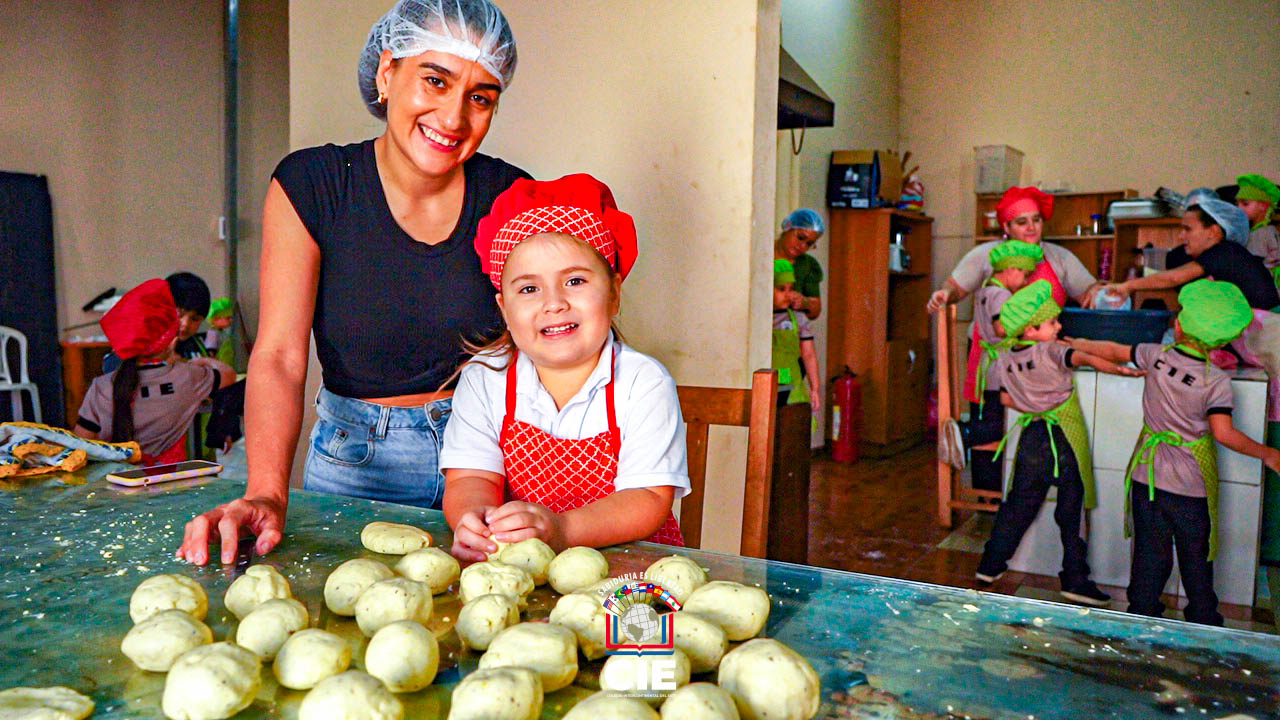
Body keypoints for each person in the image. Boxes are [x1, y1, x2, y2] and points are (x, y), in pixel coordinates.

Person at [178, 0, 528, 566]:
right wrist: (267, 491)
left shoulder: (512, 197)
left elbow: (550, 342)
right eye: (434, 80)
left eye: (480, 96)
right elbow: (279, 357)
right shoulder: (313, 185)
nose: (454, 117)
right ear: (387, 73)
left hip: (492, 464)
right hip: (357, 463)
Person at [440, 174, 688, 561]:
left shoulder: (643, 383)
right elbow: (472, 477)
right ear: (504, 308)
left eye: (574, 280)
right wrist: (474, 519)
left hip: (631, 574)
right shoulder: (485, 378)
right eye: (528, 289)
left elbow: (650, 498)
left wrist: (562, 529)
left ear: (615, 293)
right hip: (525, 569)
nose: (554, 303)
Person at [1068, 281, 1280, 625]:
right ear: (1223, 340)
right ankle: (1201, 622)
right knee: (1196, 561)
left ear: (1179, 326)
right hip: (1188, 490)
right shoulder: (1216, 382)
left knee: (1149, 560)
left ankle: (1141, 617)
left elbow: (1113, 349)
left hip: (1146, 479)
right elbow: (1224, 434)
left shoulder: (1156, 355)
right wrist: (1268, 454)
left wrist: (1078, 343)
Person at [975, 280, 1141, 606]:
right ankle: (1075, 579)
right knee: (1072, 509)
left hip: (1032, 437)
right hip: (1063, 440)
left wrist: (1036, 405)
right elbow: (1086, 358)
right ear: (1034, 329)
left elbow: (1008, 398)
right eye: (1053, 322)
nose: (1060, 326)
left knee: (1018, 505)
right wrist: (1122, 371)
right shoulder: (1052, 350)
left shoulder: (1005, 357)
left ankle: (989, 566)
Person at [927, 186, 1103, 407]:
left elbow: (1089, 291)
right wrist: (945, 293)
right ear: (1006, 227)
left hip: (1040, 358)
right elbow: (955, 288)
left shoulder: (1060, 257)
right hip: (994, 357)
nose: (1031, 228)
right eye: (1021, 222)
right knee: (993, 423)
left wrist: (1099, 292)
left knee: (1033, 420)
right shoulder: (987, 255)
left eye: (1036, 220)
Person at [74, 280, 236, 464]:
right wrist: (201, 362)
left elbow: (81, 446)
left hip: (117, 484)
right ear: (171, 341)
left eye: (194, 318)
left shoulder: (101, 386)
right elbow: (228, 375)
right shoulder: (188, 376)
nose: (185, 324)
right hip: (172, 483)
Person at [938, 240, 1041, 493]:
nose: (1026, 281)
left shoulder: (985, 290)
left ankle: (985, 489)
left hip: (985, 368)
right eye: (1025, 275)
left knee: (991, 419)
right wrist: (1025, 328)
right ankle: (963, 432)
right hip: (997, 372)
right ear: (1011, 269)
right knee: (1002, 423)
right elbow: (1000, 327)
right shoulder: (1001, 295)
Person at [1101, 200, 1279, 311]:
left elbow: (1173, 278)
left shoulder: (1225, 252)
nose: (1181, 236)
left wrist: (1128, 286)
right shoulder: (1206, 255)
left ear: (1213, 232)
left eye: (1188, 229)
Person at [771, 259, 821, 412]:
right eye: (781, 289)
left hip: (791, 386)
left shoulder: (799, 319)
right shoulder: (758, 320)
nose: (788, 294)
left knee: (790, 425)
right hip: (763, 383)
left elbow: (809, 354)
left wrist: (815, 389)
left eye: (790, 289)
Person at [774, 209, 825, 320]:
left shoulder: (808, 265)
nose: (802, 246)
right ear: (787, 227)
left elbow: (816, 310)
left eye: (809, 244)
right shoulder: (762, 255)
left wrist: (805, 303)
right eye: (800, 237)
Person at [1237, 174, 1280, 272]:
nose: (1239, 208)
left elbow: (1253, 266)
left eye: (1245, 204)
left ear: (1264, 206)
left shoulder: (1261, 233)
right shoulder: (1269, 229)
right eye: (1237, 204)